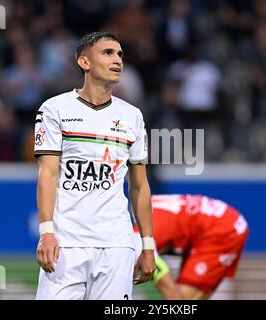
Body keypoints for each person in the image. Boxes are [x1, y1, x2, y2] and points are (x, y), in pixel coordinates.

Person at [34, 31, 155, 300]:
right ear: (84, 62)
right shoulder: (54, 109)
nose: (118, 60)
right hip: (66, 244)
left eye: (120, 55)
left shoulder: (132, 116)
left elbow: (139, 186)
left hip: (116, 244)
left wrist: (147, 246)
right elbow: (48, 173)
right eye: (108, 53)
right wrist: (46, 233)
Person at [134, 194, 249, 300]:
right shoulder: (134, 211)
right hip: (210, 221)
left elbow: (172, 294)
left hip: (222, 229)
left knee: (184, 299)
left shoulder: (138, 241)